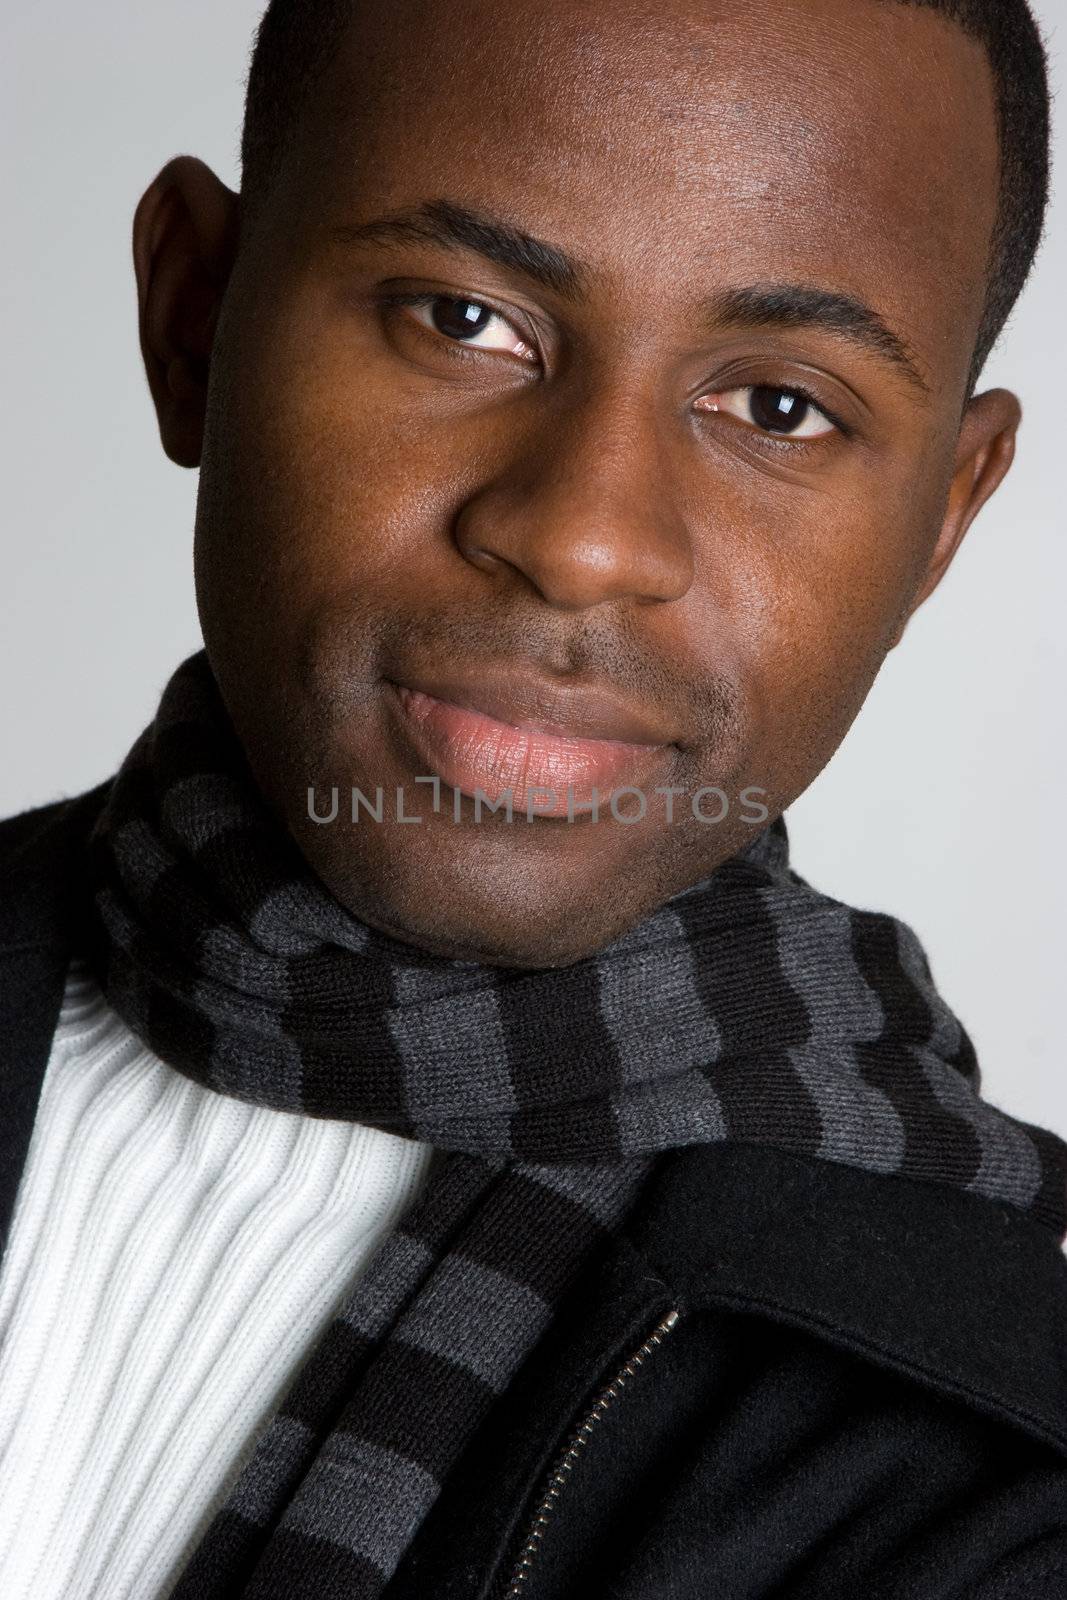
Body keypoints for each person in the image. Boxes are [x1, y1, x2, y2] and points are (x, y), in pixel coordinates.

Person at [1, 0, 1065, 1595]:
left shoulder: (995, 1476)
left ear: (941, 522)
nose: (581, 536)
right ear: (192, 319)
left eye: (780, 407)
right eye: (460, 317)